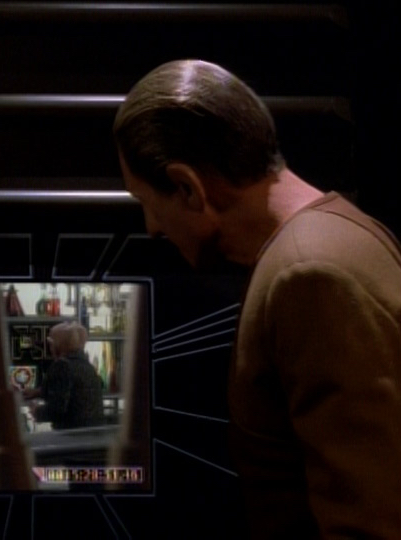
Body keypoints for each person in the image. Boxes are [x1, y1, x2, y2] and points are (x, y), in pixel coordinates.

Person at [113, 59, 401, 538]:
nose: (152, 228)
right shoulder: (329, 238)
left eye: (147, 202)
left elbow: (370, 523)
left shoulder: (308, 273)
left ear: (187, 187)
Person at [27, 321, 104, 430]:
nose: (50, 348)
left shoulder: (62, 366)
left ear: (58, 345)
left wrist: (36, 411)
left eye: (50, 343)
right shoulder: (87, 366)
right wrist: (39, 392)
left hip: (71, 435)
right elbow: (72, 391)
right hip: (91, 434)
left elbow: (57, 410)